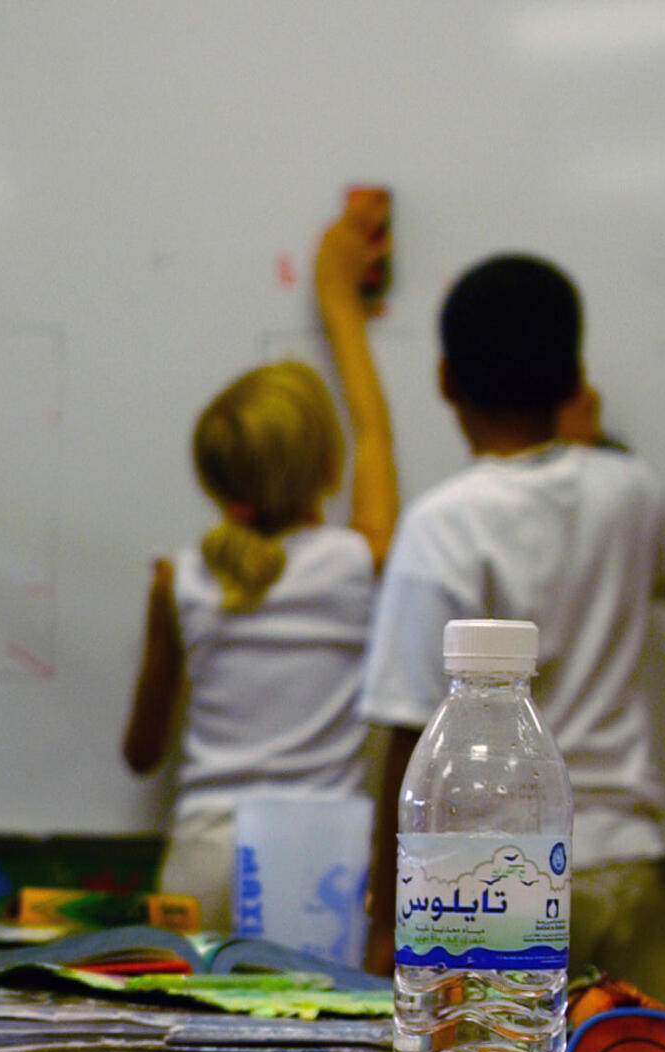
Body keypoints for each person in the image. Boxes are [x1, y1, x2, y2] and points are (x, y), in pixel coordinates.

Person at [359, 253, 665, 972]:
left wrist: (387, 922)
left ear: (444, 379)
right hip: (621, 860)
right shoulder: (631, 489)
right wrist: (595, 441)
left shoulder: (444, 523)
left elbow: (408, 734)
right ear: (577, 382)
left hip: (491, 878)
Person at [122, 197, 399, 930]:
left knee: (188, 1048)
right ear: (327, 468)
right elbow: (377, 437)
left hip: (199, 866)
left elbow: (142, 754)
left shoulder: (176, 578)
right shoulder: (354, 563)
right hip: (316, 870)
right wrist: (338, 296)